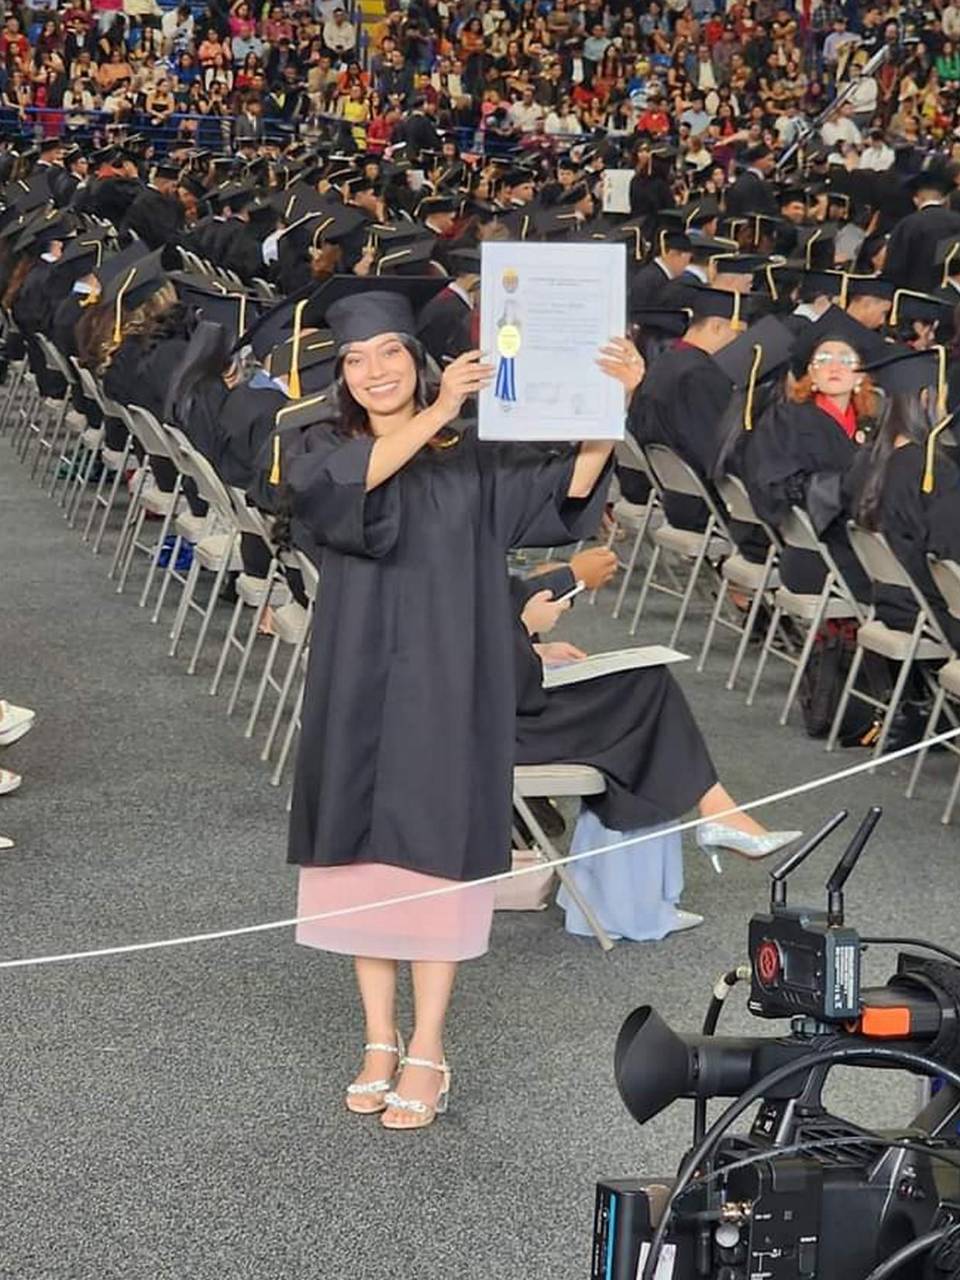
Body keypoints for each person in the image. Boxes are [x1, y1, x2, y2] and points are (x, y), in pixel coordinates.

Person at [274, 275, 623, 1130]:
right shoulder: (315, 441)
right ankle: (376, 1038)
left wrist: (607, 407)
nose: (373, 371)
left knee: (431, 849)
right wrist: (436, 413)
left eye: (389, 352)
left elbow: (563, 495)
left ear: (417, 358)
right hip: (357, 675)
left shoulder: (469, 453)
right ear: (342, 374)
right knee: (358, 848)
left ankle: (427, 1043)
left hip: (447, 676)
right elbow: (343, 495)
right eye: (356, 359)